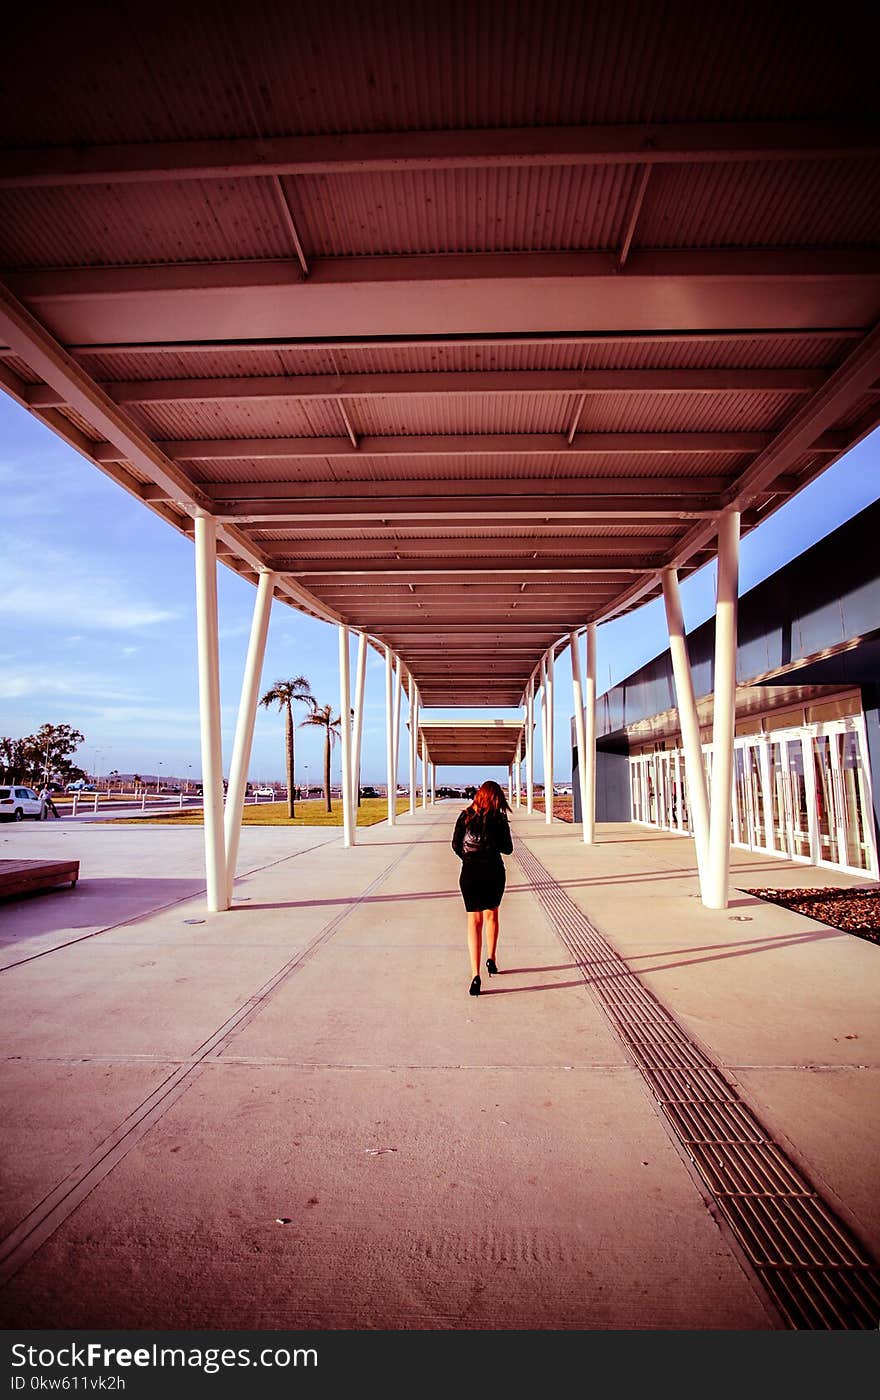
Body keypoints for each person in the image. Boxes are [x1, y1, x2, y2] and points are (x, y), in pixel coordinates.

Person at [451, 780, 513, 997]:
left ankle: (475, 974)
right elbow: (508, 849)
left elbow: (456, 845)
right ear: (497, 798)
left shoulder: (465, 815)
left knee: (473, 922)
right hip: (494, 872)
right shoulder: (498, 817)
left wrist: (470, 861)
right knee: (491, 916)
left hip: (469, 874)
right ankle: (492, 959)